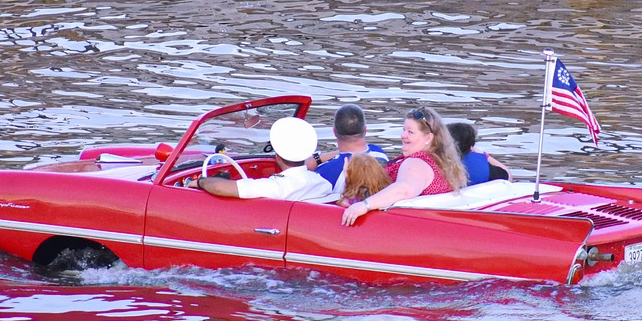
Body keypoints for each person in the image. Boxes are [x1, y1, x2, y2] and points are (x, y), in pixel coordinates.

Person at [341, 106, 467, 225]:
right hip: (422, 221)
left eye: (410, 132)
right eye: (404, 130)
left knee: (360, 160)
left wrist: (364, 205)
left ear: (428, 138)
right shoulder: (439, 161)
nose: (403, 136)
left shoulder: (417, 163)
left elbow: (405, 190)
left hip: (398, 223)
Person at [196, 116, 334, 202]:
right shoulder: (322, 183)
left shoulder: (276, 187)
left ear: (278, 155)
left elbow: (218, 187)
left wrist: (199, 182)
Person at [308, 103, 389, 195]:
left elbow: (301, 177)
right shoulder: (380, 153)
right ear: (365, 130)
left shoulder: (330, 170)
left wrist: (316, 159)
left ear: (334, 132)